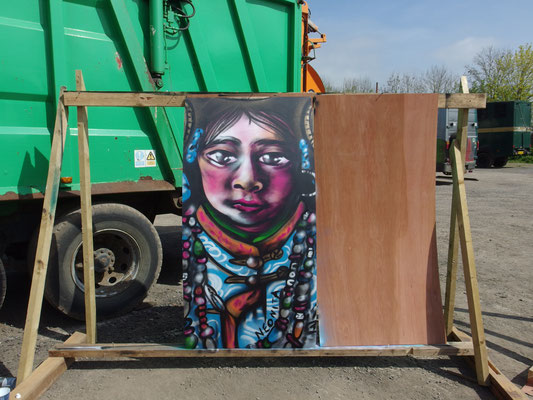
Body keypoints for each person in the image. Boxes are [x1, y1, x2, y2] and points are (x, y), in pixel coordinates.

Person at [182, 97, 317, 349]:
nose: (247, 180)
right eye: (221, 155)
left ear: (300, 164)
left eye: (274, 158)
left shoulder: (311, 246)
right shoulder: (195, 243)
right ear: (195, 161)